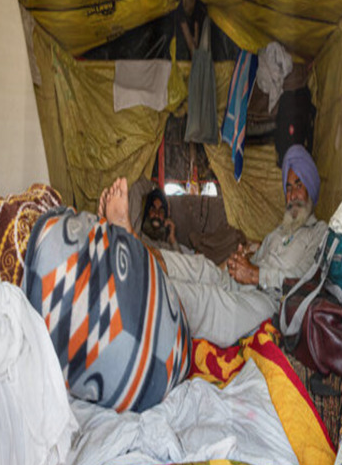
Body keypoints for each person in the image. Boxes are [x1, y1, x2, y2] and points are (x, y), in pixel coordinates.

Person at [98, 144, 327, 347]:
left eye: (298, 185)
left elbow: (303, 279)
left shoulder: (319, 233)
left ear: (311, 187)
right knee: (198, 266)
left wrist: (256, 275)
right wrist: (244, 260)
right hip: (242, 283)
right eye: (288, 188)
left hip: (269, 301)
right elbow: (258, 260)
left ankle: (138, 285)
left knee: (208, 301)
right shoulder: (279, 232)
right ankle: (131, 245)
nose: (292, 194)